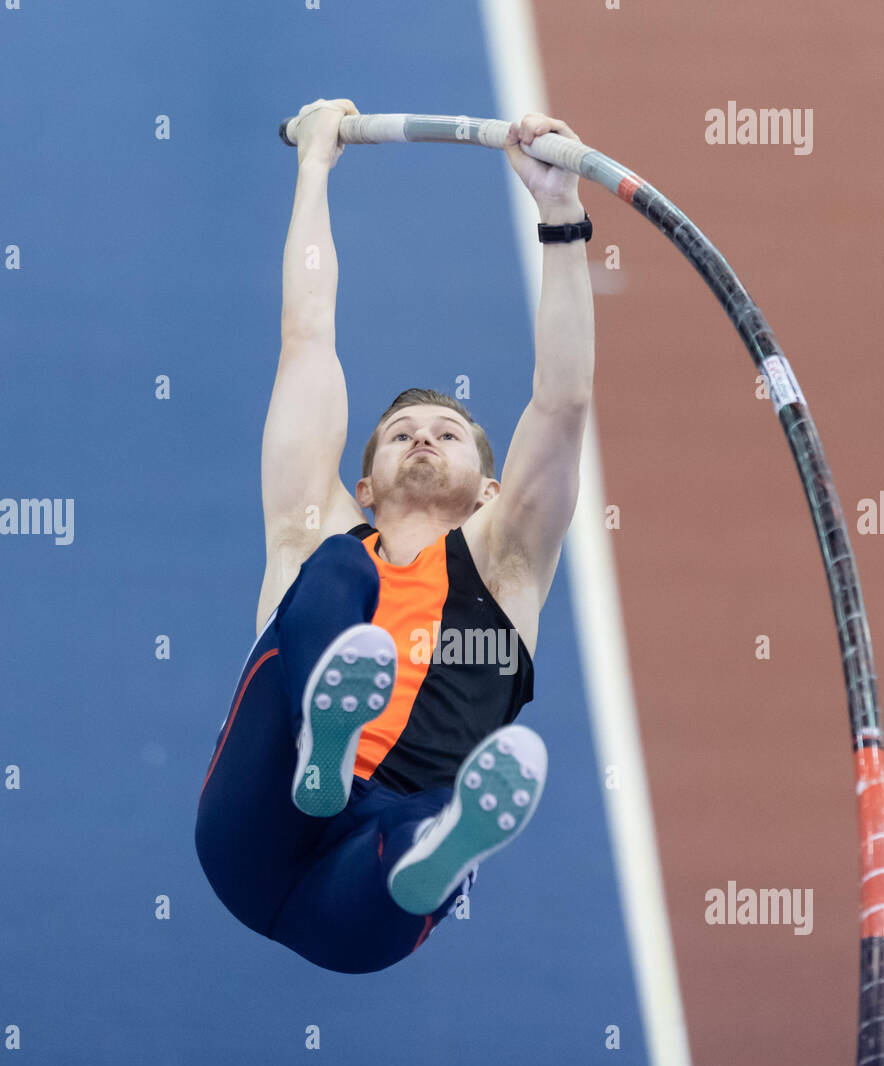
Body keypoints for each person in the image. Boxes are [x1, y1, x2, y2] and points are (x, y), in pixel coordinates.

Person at [194, 98, 594, 974]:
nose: (423, 434)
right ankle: (324, 746)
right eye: (403, 428)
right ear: (363, 481)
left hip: (368, 882)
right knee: (332, 568)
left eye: (447, 431)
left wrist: (560, 216)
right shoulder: (322, 529)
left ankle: (438, 853)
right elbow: (308, 339)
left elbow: (561, 405)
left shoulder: (509, 563)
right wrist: (314, 167)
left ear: (492, 488)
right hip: (258, 818)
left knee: (424, 831)